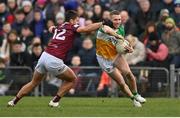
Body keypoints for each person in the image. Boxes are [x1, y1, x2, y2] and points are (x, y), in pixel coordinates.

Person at [7, 10, 104, 107]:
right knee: (73, 79)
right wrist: (101, 23)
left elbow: (50, 28)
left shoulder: (60, 27)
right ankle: (55, 101)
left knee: (33, 82)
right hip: (54, 59)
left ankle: (14, 101)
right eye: (77, 20)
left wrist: (52, 28)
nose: (77, 23)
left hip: (44, 56)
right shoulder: (72, 27)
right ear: (71, 21)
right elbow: (86, 29)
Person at [96, 10, 146, 107]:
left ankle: (136, 95)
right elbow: (108, 30)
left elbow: (120, 45)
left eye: (119, 19)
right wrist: (117, 36)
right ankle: (133, 99)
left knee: (129, 74)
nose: (118, 21)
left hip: (116, 55)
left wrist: (128, 48)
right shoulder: (103, 27)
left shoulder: (121, 28)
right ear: (110, 20)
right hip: (104, 59)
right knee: (121, 83)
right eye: (115, 19)